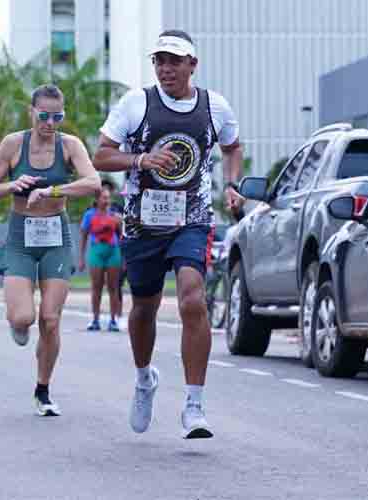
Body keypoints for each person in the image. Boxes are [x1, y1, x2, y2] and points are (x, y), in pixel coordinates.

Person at [93, 30, 245, 439]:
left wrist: (233, 185)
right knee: (143, 307)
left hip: (191, 218)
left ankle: (194, 405)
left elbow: (233, 147)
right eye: (159, 61)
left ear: (192, 64)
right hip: (142, 222)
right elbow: (101, 153)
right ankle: (144, 379)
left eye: (174, 61)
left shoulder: (215, 107)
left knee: (193, 298)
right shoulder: (137, 103)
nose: (166, 69)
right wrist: (141, 158)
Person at [0, 84, 101, 416]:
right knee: (24, 318)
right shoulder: (12, 144)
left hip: (55, 236)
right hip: (20, 236)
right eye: (44, 116)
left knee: (50, 319)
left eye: (57, 117)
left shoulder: (70, 145)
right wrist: (12, 185)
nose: (50, 123)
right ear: (31, 112)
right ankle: (17, 321)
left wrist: (53, 189)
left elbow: (93, 182)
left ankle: (43, 390)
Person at [79, 183, 123, 332]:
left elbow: (121, 237)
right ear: (97, 199)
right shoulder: (89, 215)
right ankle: (95, 319)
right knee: (96, 287)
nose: (107, 201)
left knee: (113, 287)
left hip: (113, 251)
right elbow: (84, 237)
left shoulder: (115, 216)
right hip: (96, 251)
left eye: (108, 198)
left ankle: (113, 320)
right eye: (104, 198)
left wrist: (124, 258)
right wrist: (81, 258)